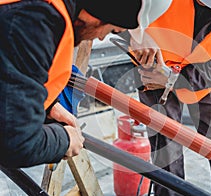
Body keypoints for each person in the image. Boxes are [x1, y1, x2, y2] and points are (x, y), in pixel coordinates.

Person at [0, 0, 171, 168]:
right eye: (111, 29)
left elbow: (10, 75)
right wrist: (64, 140)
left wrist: (49, 105)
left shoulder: (36, 13)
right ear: (100, 13)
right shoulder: (34, 23)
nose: (102, 37)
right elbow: (16, 143)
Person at [128, 0, 211, 196]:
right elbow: (118, 10)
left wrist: (178, 80)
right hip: (157, 71)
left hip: (209, 73)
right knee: (166, 150)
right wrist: (135, 31)